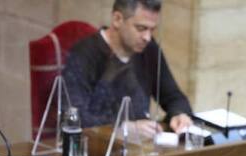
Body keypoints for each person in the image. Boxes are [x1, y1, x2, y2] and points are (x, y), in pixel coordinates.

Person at [63, 0, 192, 136]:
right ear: (117, 19)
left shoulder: (149, 49)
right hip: (97, 144)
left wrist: (179, 114)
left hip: (141, 144)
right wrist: (125, 127)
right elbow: (74, 116)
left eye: (152, 30)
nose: (147, 37)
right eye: (141, 28)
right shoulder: (84, 54)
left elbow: (174, 96)